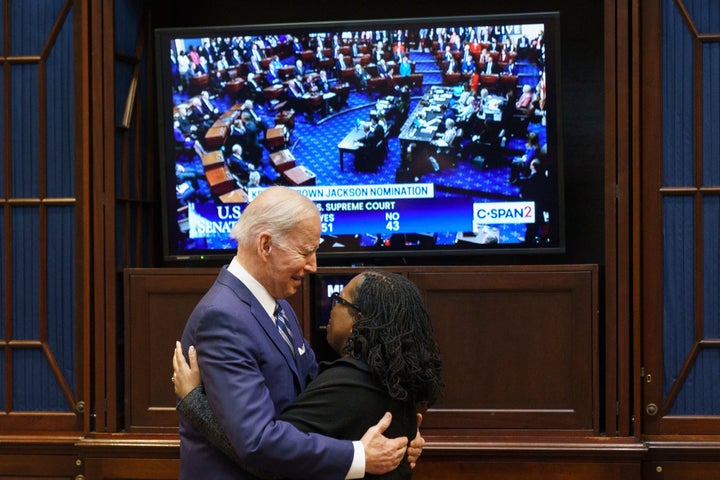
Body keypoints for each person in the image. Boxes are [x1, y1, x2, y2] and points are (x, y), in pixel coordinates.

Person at [173, 187, 421, 480]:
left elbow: (317, 391)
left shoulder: (280, 307)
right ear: (265, 245)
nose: (313, 266)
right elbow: (256, 443)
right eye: (305, 251)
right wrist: (358, 457)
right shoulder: (222, 317)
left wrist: (399, 432)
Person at [173, 269, 443, 479]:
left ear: (359, 319)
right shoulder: (395, 380)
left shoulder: (346, 385)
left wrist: (194, 400)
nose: (330, 308)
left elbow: (269, 461)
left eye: (338, 301)